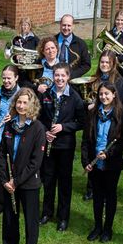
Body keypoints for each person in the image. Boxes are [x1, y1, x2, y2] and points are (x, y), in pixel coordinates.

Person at [0, 87, 45, 244]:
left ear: (32, 105)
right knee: (9, 219)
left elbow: (35, 162)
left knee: (31, 222)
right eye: (19, 102)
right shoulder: (9, 125)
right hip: (9, 182)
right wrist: (5, 180)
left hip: (28, 183)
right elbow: (1, 153)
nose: (21, 106)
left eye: (25, 102)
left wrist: (16, 181)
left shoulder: (38, 128)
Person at [38, 63, 86, 231]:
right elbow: (38, 117)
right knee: (48, 179)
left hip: (65, 145)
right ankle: (47, 212)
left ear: (68, 77)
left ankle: (63, 217)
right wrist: (45, 131)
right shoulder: (46, 94)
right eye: (56, 75)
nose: (59, 78)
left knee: (64, 181)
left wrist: (63, 127)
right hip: (49, 144)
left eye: (62, 76)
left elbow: (81, 122)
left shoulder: (74, 97)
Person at [81, 82, 123, 242]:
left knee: (110, 195)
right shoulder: (92, 114)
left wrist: (109, 153)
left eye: (107, 93)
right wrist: (86, 162)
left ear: (114, 94)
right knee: (97, 196)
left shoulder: (121, 114)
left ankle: (108, 229)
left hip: (112, 164)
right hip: (94, 164)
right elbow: (85, 140)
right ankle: (97, 227)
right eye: (101, 94)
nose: (103, 97)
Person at [0, 65, 20, 216]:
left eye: (9, 78)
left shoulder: (23, 95)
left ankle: (15, 202)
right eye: (4, 78)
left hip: (16, 139)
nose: (6, 81)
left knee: (15, 171)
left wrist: (14, 116)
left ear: (16, 78)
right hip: (0, 139)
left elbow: (31, 115)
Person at [55, 14, 91, 79]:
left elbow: (86, 65)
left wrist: (72, 75)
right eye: (64, 25)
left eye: (69, 25)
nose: (66, 28)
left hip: (72, 80)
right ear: (60, 25)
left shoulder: (81, 44)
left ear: (73, 26)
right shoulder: (52, 41)